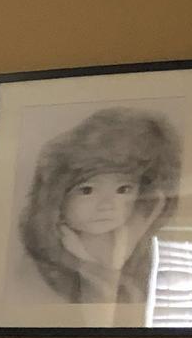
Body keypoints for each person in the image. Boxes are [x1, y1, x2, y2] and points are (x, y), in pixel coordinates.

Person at [18, 106, 181, 306]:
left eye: (123, 190)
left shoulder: (145, 254)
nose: (107, 205)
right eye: (87, 190)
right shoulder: (38, 265)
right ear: (57, 195)